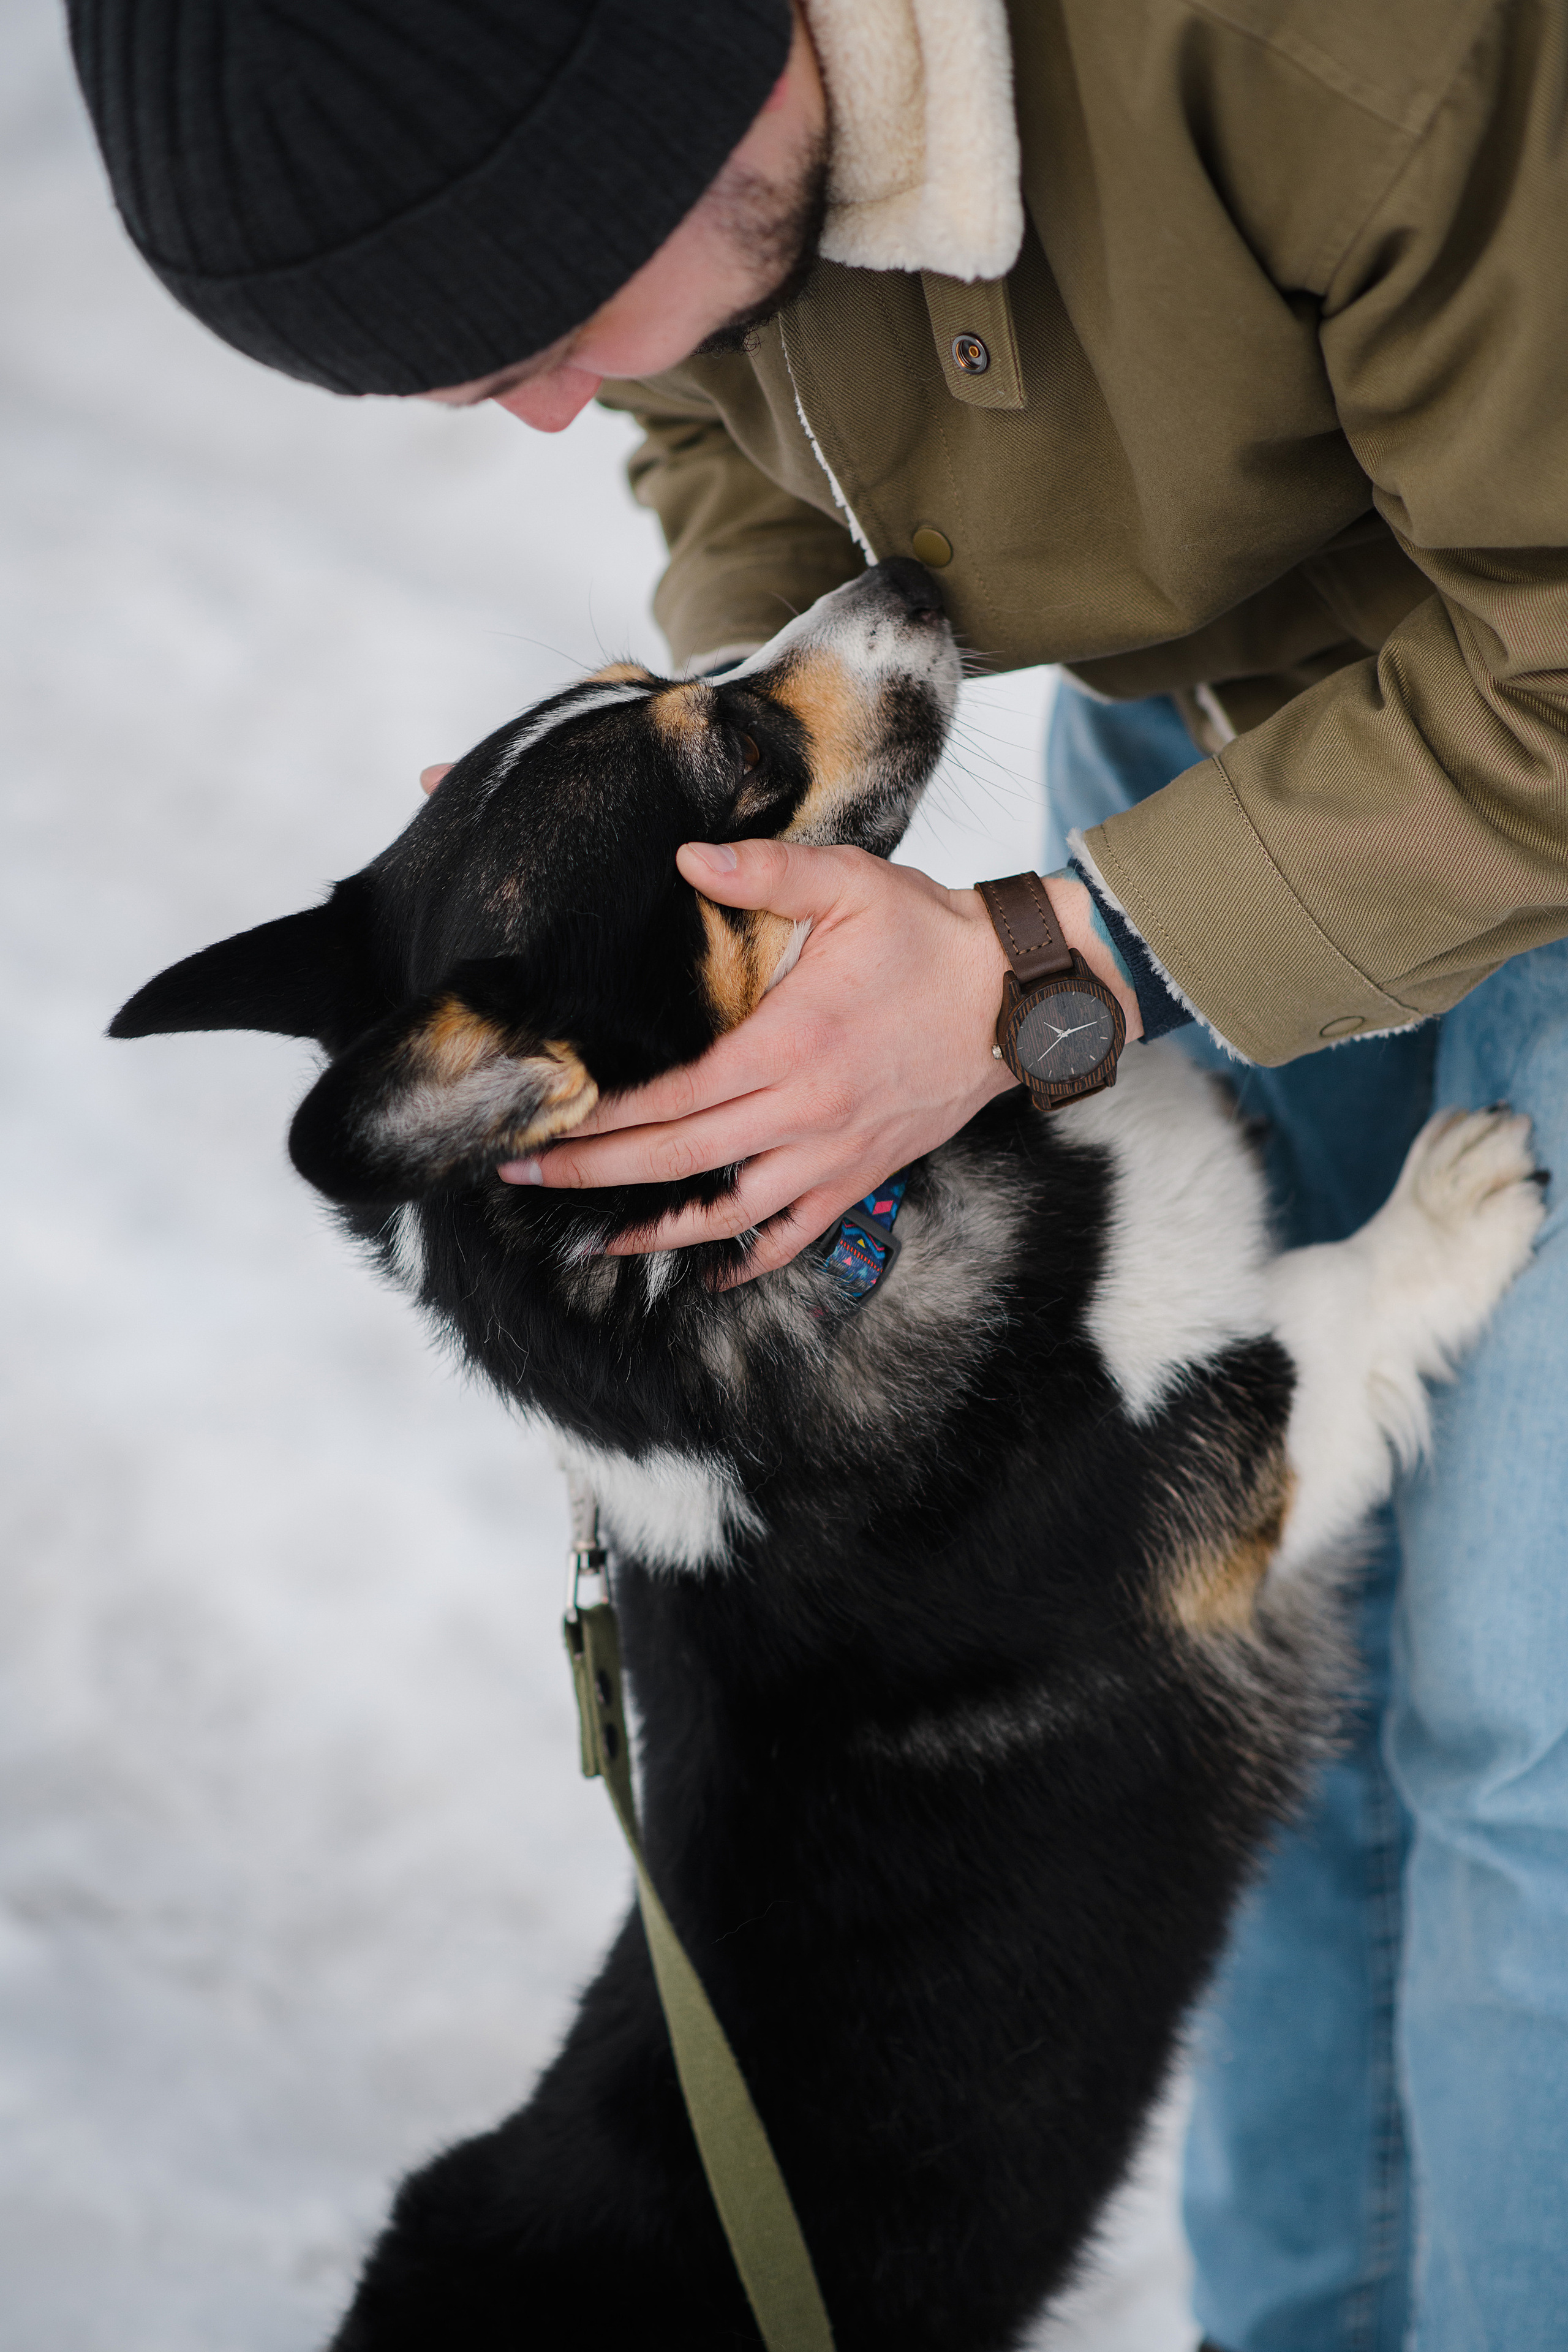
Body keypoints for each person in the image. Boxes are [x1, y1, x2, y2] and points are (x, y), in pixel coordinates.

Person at [68, 3, 1568, 2346]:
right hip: (1217, 725)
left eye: (545, 331)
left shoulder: (1328, 51)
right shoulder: (670, 184)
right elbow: (724, 455)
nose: (561, 408)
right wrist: (716, 901)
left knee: (1531, 1739)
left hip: (1529, 719)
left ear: (660, 100)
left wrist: (1061, 953)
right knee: (1344, 1777)